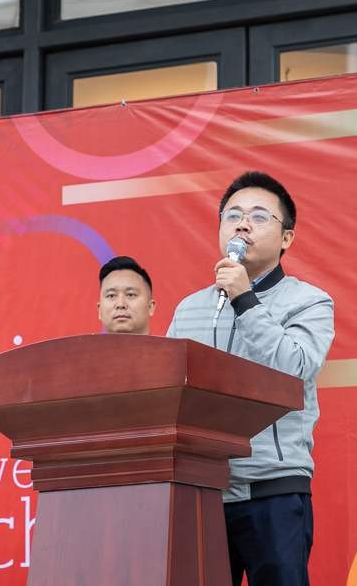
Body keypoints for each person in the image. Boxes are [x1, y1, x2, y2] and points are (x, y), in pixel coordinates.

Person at [166, 171, 334, 586]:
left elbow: (295, 368)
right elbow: (168, 389)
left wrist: (245, 298)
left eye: (259, 217)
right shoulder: (189, 309)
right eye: (233, 215)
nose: (242, 225)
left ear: (286, 238)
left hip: (272, 489)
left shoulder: (309, 301)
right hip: (202, 491)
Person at [98, 255, 156, 335]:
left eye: (130, 295)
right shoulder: (81, 343)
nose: (120, 304)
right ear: (99, 310)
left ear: (150, 307)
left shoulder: (171, 343)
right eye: (111, 296)